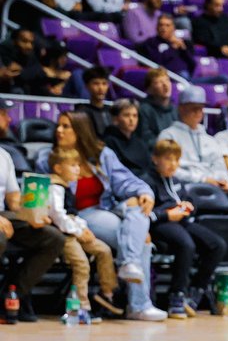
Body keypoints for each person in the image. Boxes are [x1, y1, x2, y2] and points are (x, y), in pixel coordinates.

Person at [39, 111, 160, 319]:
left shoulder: (102, 155)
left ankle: (130, 267)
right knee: (143, 241)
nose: (59, 130)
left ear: (80, 130)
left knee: (138, 206)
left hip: (106, 209)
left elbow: (126, 180)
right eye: (59, 125)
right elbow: (46, 197)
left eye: (66, 126)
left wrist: (145, 192)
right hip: (78, 216)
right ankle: (139, 304)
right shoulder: (49, 158)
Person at [147, 137, 228, 318]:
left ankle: (195, 291)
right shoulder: (147, 181)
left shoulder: (176, 180)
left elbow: (188, 200)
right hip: (160, 224)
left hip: (181, 221)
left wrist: (188, 206)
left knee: (218, 245)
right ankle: (176, 296)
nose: (173, 164)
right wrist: (167, 214)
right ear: (155, 159)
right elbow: (146, 214)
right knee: (186, 244)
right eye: (168, 159)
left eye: (176, 159)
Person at [48, 146, 117, 322]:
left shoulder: (66, 187)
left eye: (78, 165)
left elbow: (73, 214)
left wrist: (84, 228)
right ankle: (80, 308)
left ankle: (107, 294)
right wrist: (78, 232)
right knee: (82, 264)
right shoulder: (54, 187)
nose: (78, 169)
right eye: (73, 165)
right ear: (58, 168)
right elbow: (58, 217)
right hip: (63, 234)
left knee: (103, 250)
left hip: (74, 229)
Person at [0, 142, 66, 321]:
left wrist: (34, 213)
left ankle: (12, 296)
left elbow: (13, 198)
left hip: (4, 214)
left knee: (54, 238)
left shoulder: (4, 155)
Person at [158, 86, 228, 189]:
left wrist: (225, 180)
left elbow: (220, 167)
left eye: (201, 108)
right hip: (182, 188)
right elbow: (169, 169)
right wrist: (203, 179)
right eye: (193, 108)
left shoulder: (210, 139)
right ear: (181, 108)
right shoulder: (168, 136)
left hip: (214, 188)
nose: (198, 112)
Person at [103, 97, 154, 179]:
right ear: (115, 119)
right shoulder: (109, 141)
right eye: (126, 115)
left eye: (135, 116)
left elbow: (148, 163)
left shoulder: (138, 138)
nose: (131, 119)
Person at [136, 67, 176, 144]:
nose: (165, 85)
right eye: (159, 82)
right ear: (149, 89)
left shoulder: (175, 109)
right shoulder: (143, 110)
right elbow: (145, 139)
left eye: (167, 80)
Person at [78, 64, 111, 137]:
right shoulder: (81, 112)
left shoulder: (112, 111)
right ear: (87, 86)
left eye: (104, 83)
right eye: (96, 83)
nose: (101, 88)